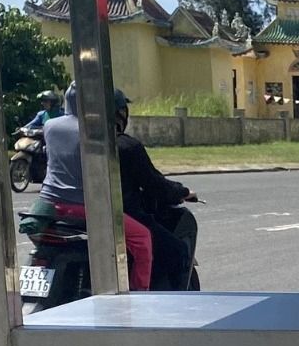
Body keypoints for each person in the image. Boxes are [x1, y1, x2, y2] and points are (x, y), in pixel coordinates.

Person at [38, 88, 198, 290]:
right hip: (95, 208)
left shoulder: (51, 127)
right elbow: (154, 183)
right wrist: (182, 192)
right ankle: (140, 294)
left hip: (51, 205)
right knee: (160, 245)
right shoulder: (111, 142)